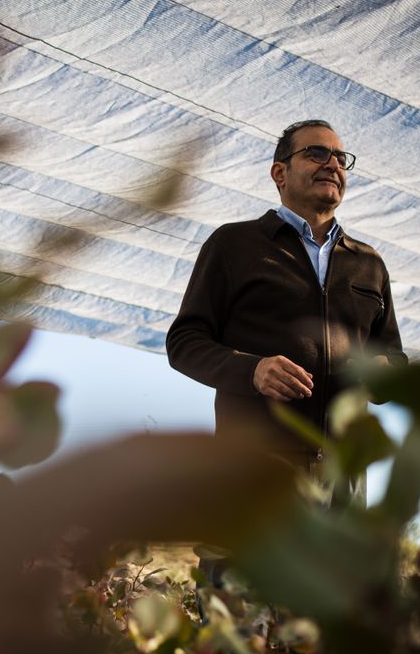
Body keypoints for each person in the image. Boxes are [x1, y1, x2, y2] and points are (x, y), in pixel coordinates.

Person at [166, 119, 406, 470]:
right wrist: (252, 370)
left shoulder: (369, 263)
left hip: (344, 478)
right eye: (317, 153)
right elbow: (184, 343)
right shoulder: (233, 245)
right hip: (254, 474)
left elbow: (395, 358)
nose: (333, 165)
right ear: (280, 172)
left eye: (341, 158)